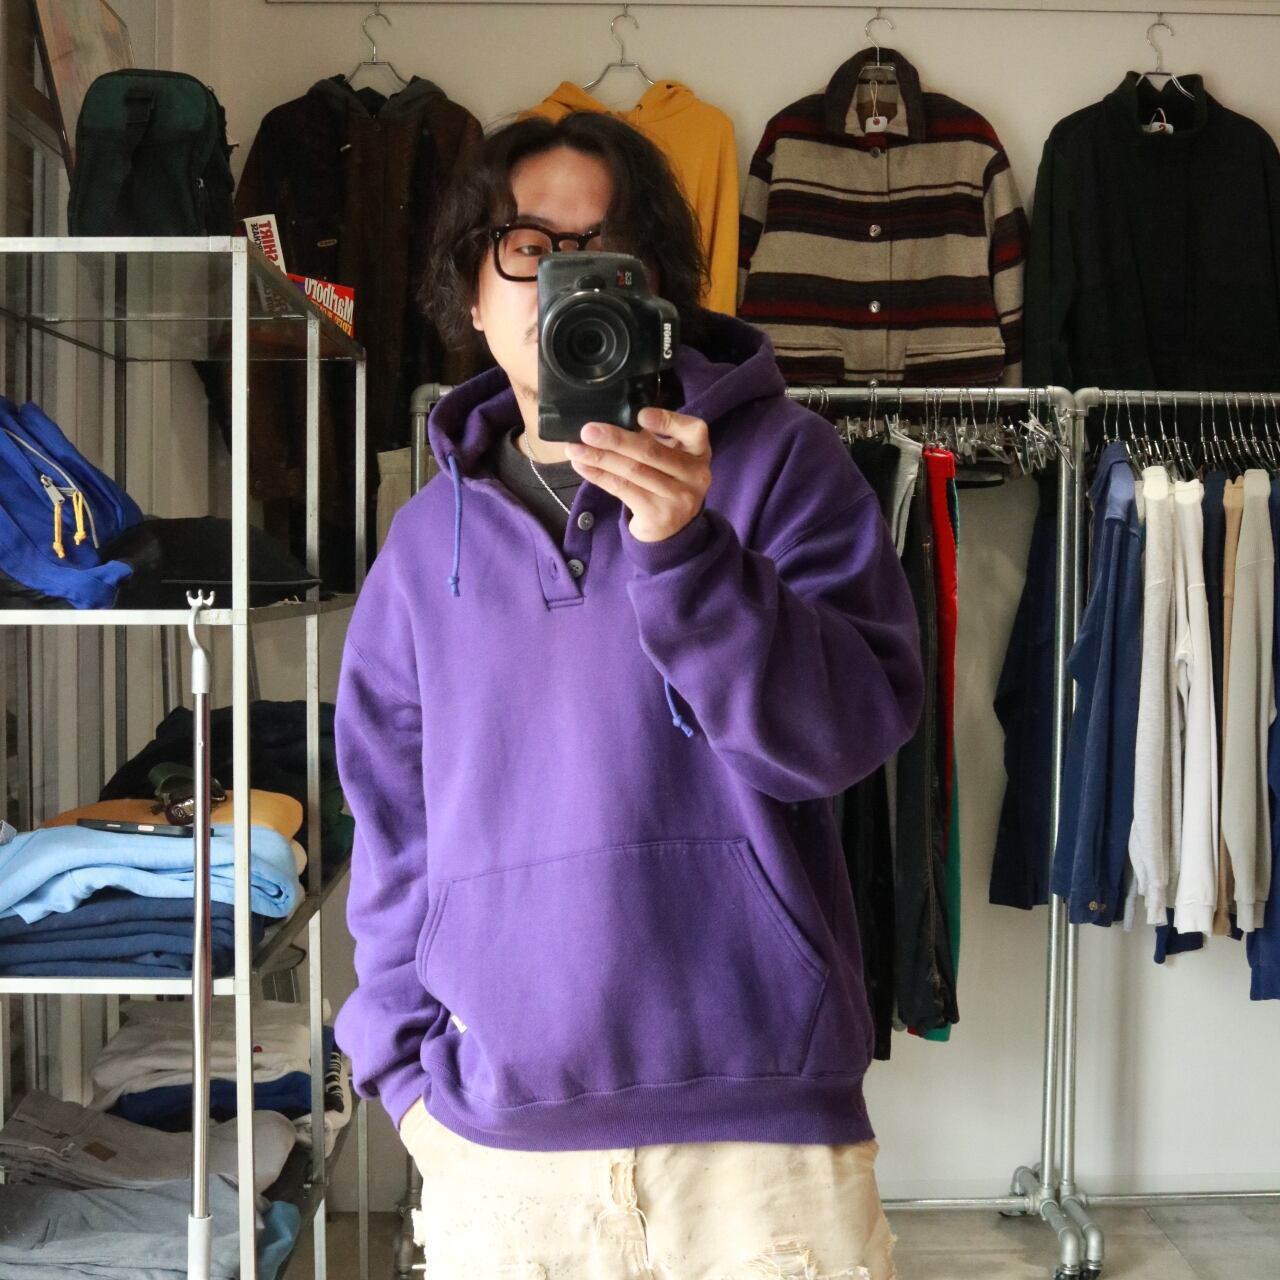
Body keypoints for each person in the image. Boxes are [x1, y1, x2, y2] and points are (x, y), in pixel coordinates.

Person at [334, 110, 922, 1280]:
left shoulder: (782, 463)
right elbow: (390, 827)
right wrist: (403, 1078)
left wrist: (689, 550)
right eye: (527, 246)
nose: (560, 280)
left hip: (759, 1135)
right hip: (501, 1148)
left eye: (599, 251)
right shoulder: (422, 543)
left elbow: (841, 737)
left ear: (652, 292)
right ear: (471, 287)